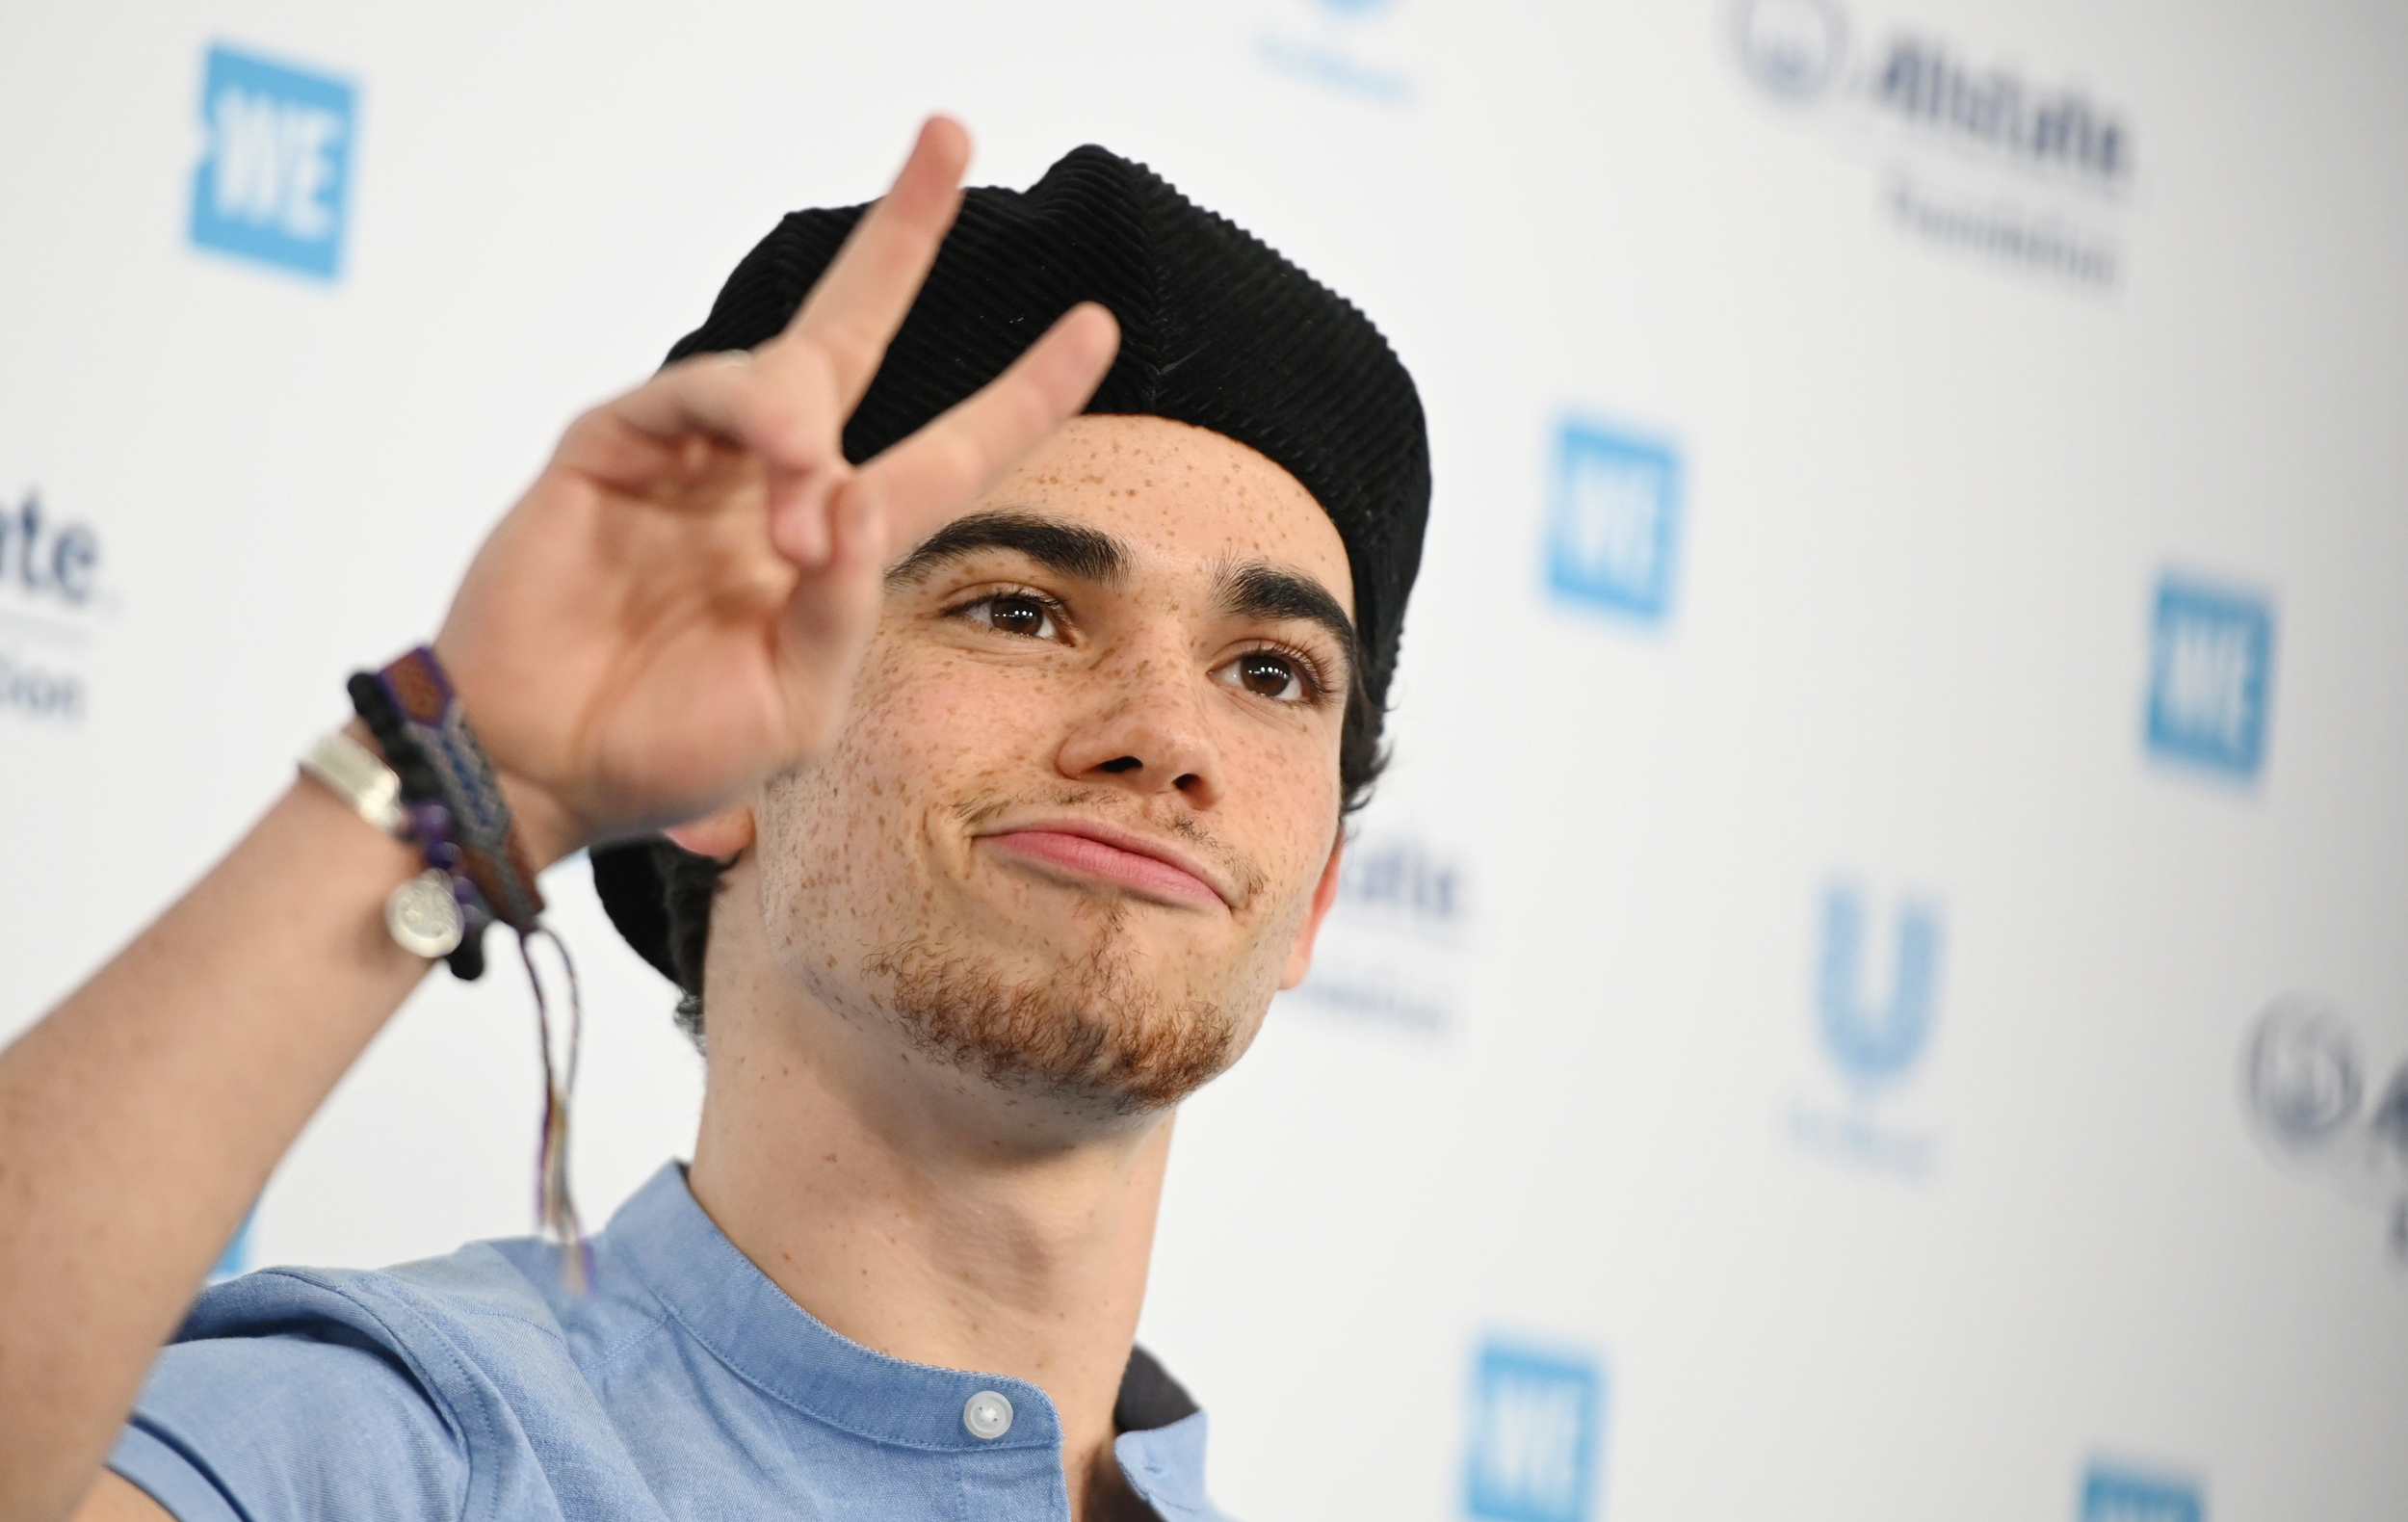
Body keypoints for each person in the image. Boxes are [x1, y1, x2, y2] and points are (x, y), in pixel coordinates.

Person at [0, 117, 1429, 1522]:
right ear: (727, 772)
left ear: (1316, 896)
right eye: (1020, 610)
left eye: (1270, 672)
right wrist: (481, 761)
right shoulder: (384, 1452)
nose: (1168, 737)